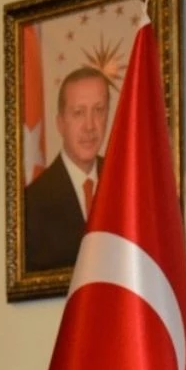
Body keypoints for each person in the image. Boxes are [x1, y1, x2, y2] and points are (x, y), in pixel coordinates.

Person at [24, 67, 110, 272]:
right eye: (78, 113)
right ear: (60, 123)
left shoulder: (128, 184)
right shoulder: (31, 205)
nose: (90, 126)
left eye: (98, 110)